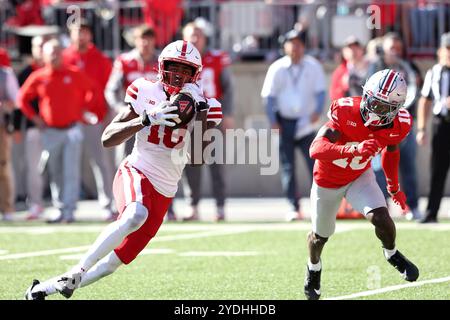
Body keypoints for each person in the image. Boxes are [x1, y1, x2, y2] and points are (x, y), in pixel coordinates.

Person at [24, 40, 222, 300]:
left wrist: (201, 118)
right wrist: (146, 119)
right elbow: (107, 138)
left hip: (166, 189)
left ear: (195, 75)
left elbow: (197, 160)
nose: (178, 75)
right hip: (137, 169)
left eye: (185, 70)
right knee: (134, 214)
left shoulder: (207, 106)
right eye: (173, 67)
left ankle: (41, 290)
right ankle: (78, 268)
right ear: (162, 66)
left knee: (114, 263)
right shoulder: (144, 90)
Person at [304, 69, 419, 300]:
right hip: (327, 180)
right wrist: (352, 148)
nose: (373, 109)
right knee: (320, 237)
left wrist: (393, 187)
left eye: (382, 107)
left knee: (382, 218)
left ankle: (391, 253)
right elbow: (315, 149)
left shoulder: (399, 123)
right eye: (371, 101)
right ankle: (313, 267)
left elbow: (391, 150)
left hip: (358, 176)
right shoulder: (346, 110)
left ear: (395, 109)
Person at [17, 39, 100, 223]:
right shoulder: (39, 76)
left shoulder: (73, 73)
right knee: (55, 172)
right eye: (50, 52)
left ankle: (69, 210)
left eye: (56, 51)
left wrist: (82, 110)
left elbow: (93, 90)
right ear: (43, 55)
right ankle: (59, 207)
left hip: (72, 129)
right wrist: (35, 118)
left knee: (71, 170)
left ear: (62, 53)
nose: (54, 55)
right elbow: (22, 98)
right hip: (50, 131)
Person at [261, 29, 326, 221]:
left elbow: (321, 92)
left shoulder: (313, 66)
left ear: (304, 46)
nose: (295, 47)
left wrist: (317, 112)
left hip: (307, 122)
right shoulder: (277, 68)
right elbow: (268, 96)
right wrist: (273, 120)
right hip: (285, 122)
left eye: (298, 43)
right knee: (288, 167)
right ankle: (293, 206)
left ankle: (320, 204)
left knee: (315, 165)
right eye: (291, 43)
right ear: (284, 46)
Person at [177, 20, 233, 222]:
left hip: (211, 118)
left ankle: (220, 206)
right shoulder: (178, 60)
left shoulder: (216, 58)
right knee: (191, 165)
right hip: (188, 119)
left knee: (216, 163)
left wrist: (228, 113)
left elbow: (228, 88)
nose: (194, 39)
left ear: (205, 37)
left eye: (197, 34)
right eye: (190, 35)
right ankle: (193, 205)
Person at [63, 21, 116, 220]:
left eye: (84, 32)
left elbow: (105, 89)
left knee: (101, 162)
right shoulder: (65, 57)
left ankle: (108, 204)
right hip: (70, 119)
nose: (81, 36)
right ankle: (68, 207)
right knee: (69, 164)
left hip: (95, 118)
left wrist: (101, 114)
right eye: (77, 32)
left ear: (90, 35)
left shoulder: (100, 59)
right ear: (71, 35)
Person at [367, 32, 421, 220]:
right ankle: (383, 206)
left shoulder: (410, 67)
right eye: (392, 48)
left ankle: (412, 205)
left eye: (398, 49)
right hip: (381, 126)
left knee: (408, 165)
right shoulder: (376, 67)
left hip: (404, 125)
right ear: (384, 50)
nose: (395, 52)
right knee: (378, 168)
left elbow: (416, 93)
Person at [105, 25, 159, 165]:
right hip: (133, 116)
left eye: (149, 39)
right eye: (142, 39)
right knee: (125, 160)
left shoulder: (162, 63)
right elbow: (111, 90)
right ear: (135, 41)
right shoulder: (125, 61)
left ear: (154, 41)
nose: (145, 43)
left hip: (156, 118)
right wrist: (120, 108)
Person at [11, 35, 48, 220]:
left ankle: (63, 205)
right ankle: (35, 204)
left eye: (43, 46)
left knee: (60, 169)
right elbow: (20, 101)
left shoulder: (57, 70)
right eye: (38, 46)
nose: (41, 50)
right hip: (34, 127)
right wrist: (17, 127)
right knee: (33, 168)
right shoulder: (26, 72)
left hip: (59, 127)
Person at [416, 33, 450, 223]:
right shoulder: (434, 72)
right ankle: (431, 213)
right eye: (447, 49)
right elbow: (425, 100)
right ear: (440, 51)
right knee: (437, 169)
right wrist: (422, 128)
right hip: (441, 124)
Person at [0, 66, 20, 221]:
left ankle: (7, 208)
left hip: (1, 127)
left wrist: (4, 105)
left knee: (3, 168)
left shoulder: (5, 74)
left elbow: (16, 100)